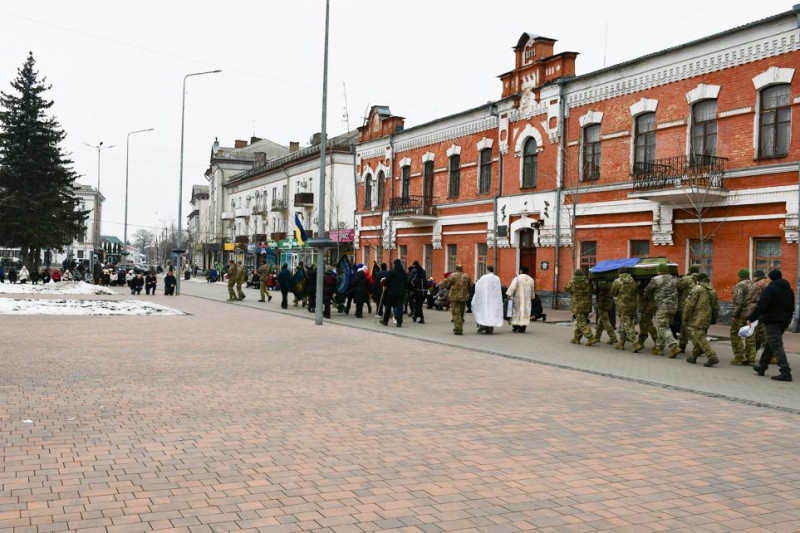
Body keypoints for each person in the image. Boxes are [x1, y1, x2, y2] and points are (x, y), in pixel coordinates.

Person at [750, 269, 795, 382]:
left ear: (772, 278)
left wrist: (751, 318)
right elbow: (791, 308)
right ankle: (762, 366)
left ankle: (785, 371)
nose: (767, 279)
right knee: (771, 343)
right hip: (784, 322)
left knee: (776, 345)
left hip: (773, 321)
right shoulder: (789, 290)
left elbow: (761, 306)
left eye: (768, 277)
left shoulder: (770, 289)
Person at [643, 263, 681, 357]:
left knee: (662, 327)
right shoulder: (674, 279)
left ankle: (674, 346)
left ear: (659, 271)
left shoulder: (656, 279)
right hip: (673, 308)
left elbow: (647, 291)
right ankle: (659, 348)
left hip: (662, 307)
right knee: (663, 326)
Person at [684, 272, 720, 366]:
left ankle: (712, 356)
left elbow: (689, 305)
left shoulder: (697, 289)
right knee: (700, 336)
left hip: (697, 317)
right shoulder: (712, 290)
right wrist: (714, 318)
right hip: (707, 317)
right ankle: (693, 356)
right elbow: (716, 307)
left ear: (698, 280)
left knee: (700, 337)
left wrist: (685, 318)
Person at [730, 268, 760, 365]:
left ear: (740, 276)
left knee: (735, 334)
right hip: (753, 313)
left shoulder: (740, 285)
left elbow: (738, 301)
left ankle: (739, 356)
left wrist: (735, 314)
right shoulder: (755, 285)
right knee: (750, 334)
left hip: (742, 314)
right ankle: (751, 358)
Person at [565, 269, 595, 345]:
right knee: (581, 321)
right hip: (587, 305)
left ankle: (590, 337)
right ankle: (577, 338)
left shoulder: (573, 282)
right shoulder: (588, 282)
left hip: (578, 306)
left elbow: (566, 289)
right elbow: (592, 290)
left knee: (581, 322)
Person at [611, 267, 638, 350]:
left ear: (619, 273)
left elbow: (613, 293)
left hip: (623, 306)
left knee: (626, 324)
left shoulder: (617, 281)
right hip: (633, 306)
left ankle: (635, 343)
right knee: (624, 324)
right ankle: (621, 343)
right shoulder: (633, 280)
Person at [471, 265, 504, 334]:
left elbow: (479, 286)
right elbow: (498, 289)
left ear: (487, 270)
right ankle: (490, 328)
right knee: (492, 313)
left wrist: (477, 282)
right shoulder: (497, 278)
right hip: (494, 299)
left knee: (485, 312)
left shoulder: (484, 277)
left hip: (485, 298)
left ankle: (483, 325)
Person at [676, 265, 700, 352]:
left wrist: (679, 279)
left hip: (685, 306)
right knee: (692, 326)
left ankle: (696, 346)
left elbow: (677, 287)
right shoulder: (700, 279)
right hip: (698, 307)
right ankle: (684, 345)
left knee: (686, 326)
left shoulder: (687, 279)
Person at [506, 266, 535, 333]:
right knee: (525, 311)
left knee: (517, 311)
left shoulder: (518, 278)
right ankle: (523, 327)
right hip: (527, 299)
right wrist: (532, 297)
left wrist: (508, 294)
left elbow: (512, 287)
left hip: (518, 298)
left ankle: (516, 326)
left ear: (521, 271)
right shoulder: (531, 279)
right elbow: (532, 290)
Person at [381, 259, 408, 328]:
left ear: (394, 264)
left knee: (388, 306)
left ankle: (385, 321)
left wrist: (383, 282)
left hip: (391, 292)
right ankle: (399, 322)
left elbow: (386, 281)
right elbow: (406, 283)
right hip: (401, 293)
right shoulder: (404, 273)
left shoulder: (391, 272)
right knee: (399, 307)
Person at [445, 264, 471, 335]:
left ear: (456, 268)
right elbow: (470, 286)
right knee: (461, 312)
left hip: (454, 297)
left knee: (456, 313)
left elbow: (447, 285)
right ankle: (458, 326)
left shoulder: (452, 276)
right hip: (463, 297)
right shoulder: (467, 276)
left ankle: (458, 329)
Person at [592, 280, 618, 345]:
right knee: (601, 321)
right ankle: (597, 337)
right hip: (608, 303)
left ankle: (613, 337)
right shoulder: (613, 283)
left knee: (605, 321)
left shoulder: (603, 284)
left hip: (603, 303)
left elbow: (595, 291)